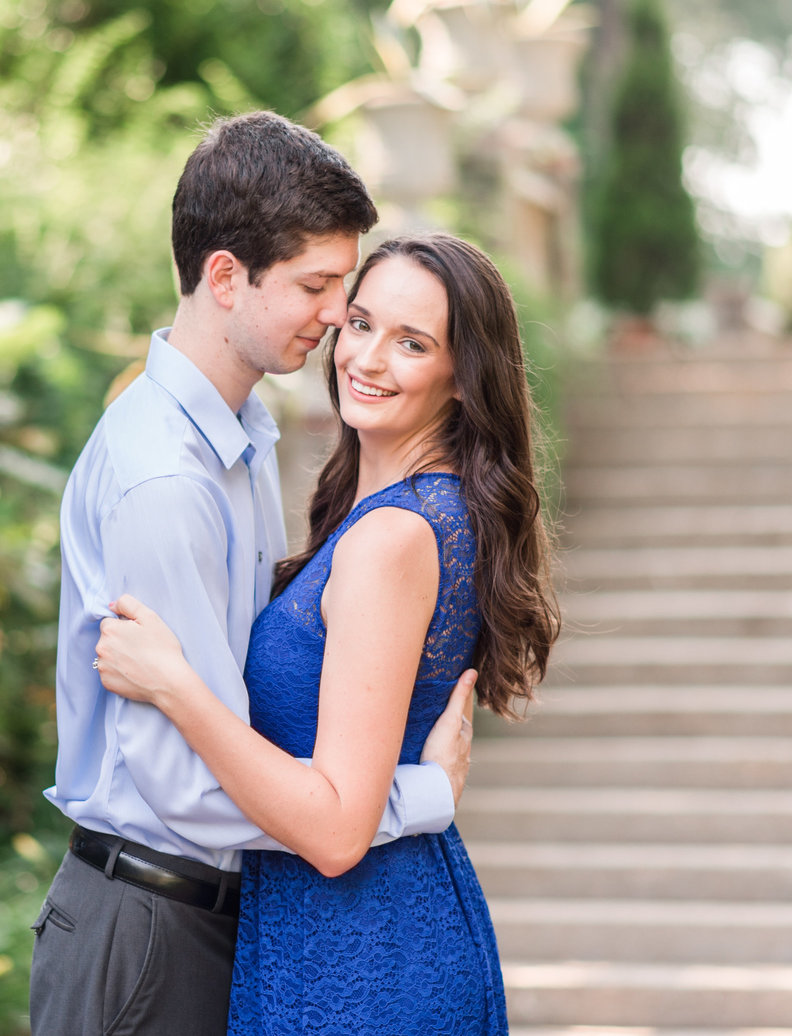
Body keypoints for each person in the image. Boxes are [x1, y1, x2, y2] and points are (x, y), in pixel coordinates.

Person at [28, 113, 479, 1036]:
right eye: (319, 288)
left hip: (213, 923)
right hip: (147, 927)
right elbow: (183, 787)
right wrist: (412, 798)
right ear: (225, 277)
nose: (334, 321)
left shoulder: (242, 444)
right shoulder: (168, 481)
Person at [94, 232, 560, 1033]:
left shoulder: (393, 538)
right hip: (346, 930)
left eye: (412, 343)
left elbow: (339, 829)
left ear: (461, 378)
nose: (369, 359)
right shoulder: (401, 515)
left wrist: (176, 685)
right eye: (362, 324)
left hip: (361, 952)